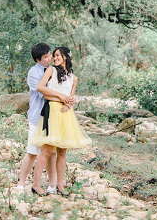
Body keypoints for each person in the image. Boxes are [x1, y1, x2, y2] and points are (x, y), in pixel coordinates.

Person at [30, 46, 91, 197]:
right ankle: (36, 185)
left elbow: (70, 98)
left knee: (62, 152)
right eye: (54, 56)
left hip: (66, 115)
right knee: (47, 150)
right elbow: (40, 88)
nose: (55, 58)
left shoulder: (73, 78)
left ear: (65, 57)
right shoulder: (51, 70)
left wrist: (69, 102)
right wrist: (61, 97)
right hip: (52, 112)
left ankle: (60, 186)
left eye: (57, 55)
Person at [15, 43, 58, 194]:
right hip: (37, 116)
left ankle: (52, 185)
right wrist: (62, 97)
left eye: (50, 55)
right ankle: (21, 183)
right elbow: (43, 93)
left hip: (53, 117)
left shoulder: (54, 69)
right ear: (38, 59)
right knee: (32, 152)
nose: (50, 58)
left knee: (51, 152)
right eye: (46, 57)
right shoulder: (34, 73)